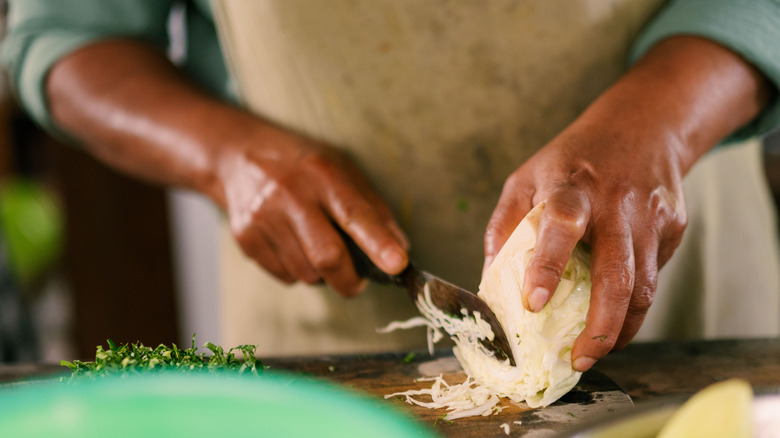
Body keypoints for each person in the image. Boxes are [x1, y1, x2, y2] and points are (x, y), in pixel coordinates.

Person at [2, 0, 779, 371]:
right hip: (324, 346)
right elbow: (66, 36)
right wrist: (226, 157)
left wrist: (663, 123)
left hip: (687, 314)